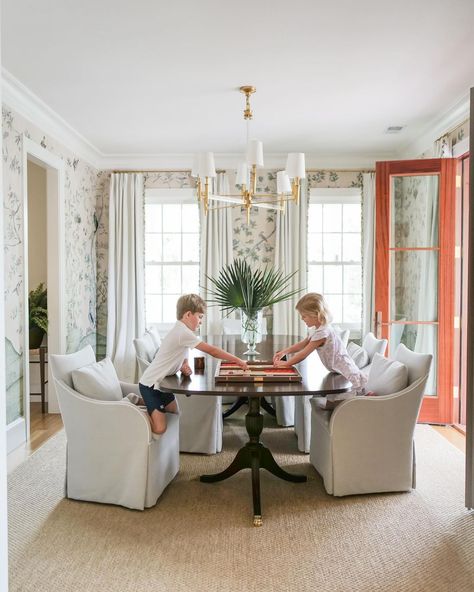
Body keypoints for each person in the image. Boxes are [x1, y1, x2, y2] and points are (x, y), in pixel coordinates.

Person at [139, 293, 249, 434]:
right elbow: (213, 351)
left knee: (174, 413)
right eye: (200, 317)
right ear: (188, 315)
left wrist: (183, 365)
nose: (201, 321)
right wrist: (238, 360)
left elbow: (181, 353)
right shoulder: (182, 332)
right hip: (150, 385)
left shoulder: (182, 331)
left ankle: (149, 406)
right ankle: (137, 409)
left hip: (161, 384)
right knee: (160, 428)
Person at [273, 293, 369, 408]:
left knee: (335, 404)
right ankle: (364, 398)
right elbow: (302, 345)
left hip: (346, 372)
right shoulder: (316, 330)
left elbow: (304, 353)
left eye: (304, 316)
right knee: (331, 403)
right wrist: (284, 352)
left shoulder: (323, 333)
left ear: (315, 315)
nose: (302, 319)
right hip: (337, 371)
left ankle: (366, 399)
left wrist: (286, 364)